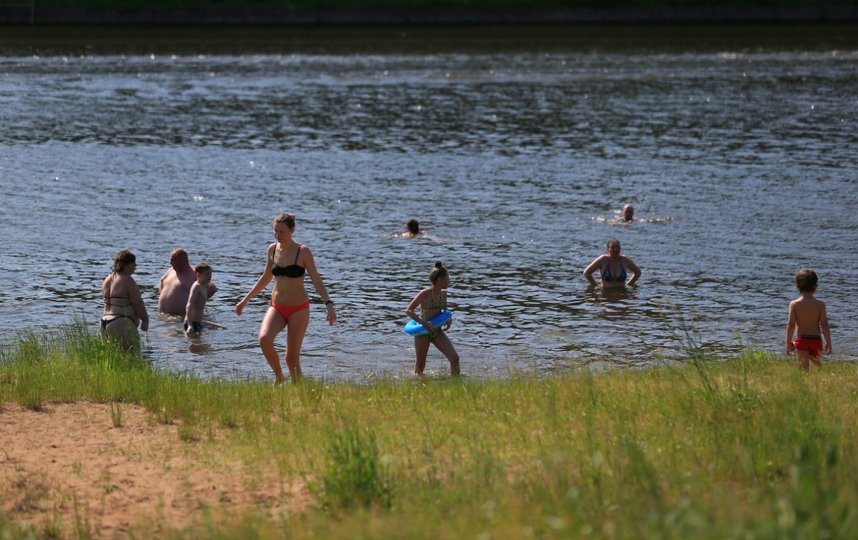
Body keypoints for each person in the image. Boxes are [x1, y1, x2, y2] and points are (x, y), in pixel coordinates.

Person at [235, 213, 337, 384]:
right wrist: (244, 301)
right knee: (264, 339)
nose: (278, 235)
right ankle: (279, 377)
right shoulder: (272, 249)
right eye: (275, 231)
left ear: (292, 230)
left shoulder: (302, 251)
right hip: (277, 306)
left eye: (282, 231)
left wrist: (329, 304)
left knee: (291, 358)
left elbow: (316, 280)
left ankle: (299, 390)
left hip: (298, 309)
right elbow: (265, 278)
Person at [406, 261, 460, 376]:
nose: (449, 281)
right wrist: (424, 323)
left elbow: (444, 312)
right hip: (422, 333)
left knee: (455, 358)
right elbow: (409, 310)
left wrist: (448, 320)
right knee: (420, 367)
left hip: (437, 332)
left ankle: (456, 383)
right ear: (440, 280)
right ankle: (417, 385)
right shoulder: (425, 293)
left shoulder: (443, 294)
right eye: (447, 279)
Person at [101, 249, 149, 352]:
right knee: (134, 356)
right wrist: (145, 320)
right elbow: (138, 303)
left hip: (105, 322)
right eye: (134, 263)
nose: (135, 266)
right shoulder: (127, 280)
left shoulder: (107, 279)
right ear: (128, 264)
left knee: (115, 357)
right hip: (121, 322)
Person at [786, 268, 832, 370]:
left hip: (801, 339)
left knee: (803, 370)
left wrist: (788, 343)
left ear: (797, 286)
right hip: (816, 340)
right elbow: (824, 325)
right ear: (815, 286)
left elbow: (791, 325)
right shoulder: (820, 305)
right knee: (817, 370)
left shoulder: (794, 304)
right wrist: (829, 343)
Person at [158, 248, 218, 316]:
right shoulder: (170, 271)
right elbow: (162, 280)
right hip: (163, 317)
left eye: (173, 260)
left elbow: (212, 288)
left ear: (182, 261)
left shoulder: (194, 274)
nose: (170, 263)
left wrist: (198, 302)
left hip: (181, 317)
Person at [184, 262, 213, 336]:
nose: (209, 276)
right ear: (198, 275)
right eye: (207, 274)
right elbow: (189, 305)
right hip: (192, 323)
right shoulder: (196, 287)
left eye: (210, 274)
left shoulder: (203, 286)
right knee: (194, 343)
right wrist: (190, 325)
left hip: (198, 322)